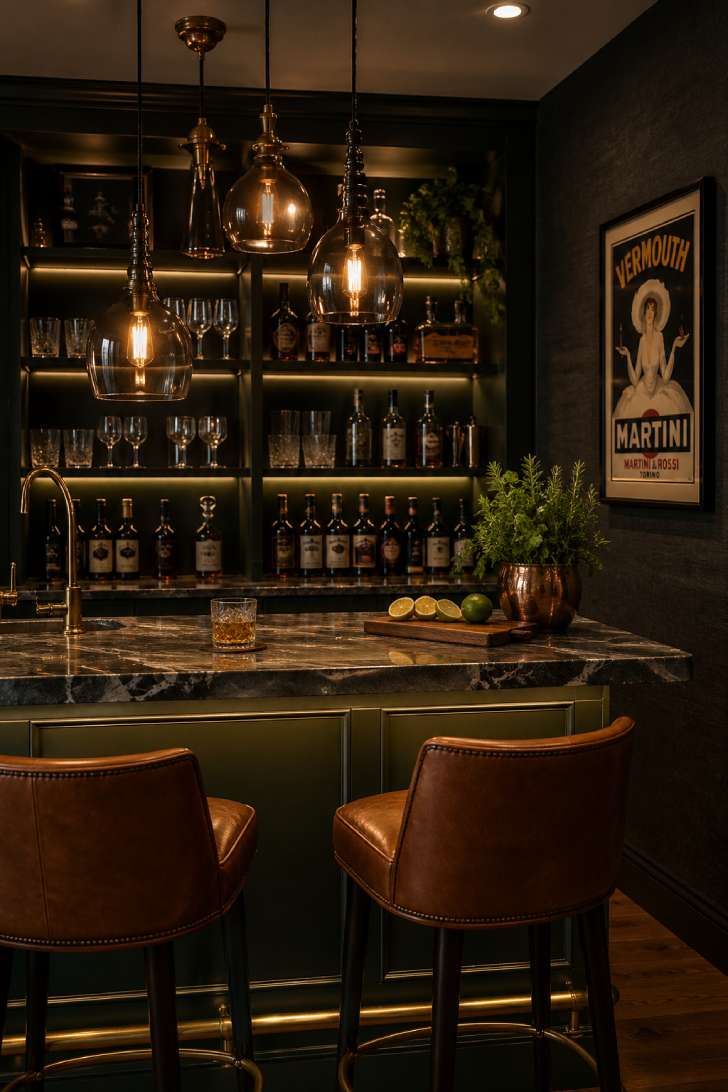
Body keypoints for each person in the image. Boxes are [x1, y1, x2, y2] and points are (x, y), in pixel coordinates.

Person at [614, 281, 692, 419]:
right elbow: (634, 379)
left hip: (659, 391)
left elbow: (666, 377)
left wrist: (674, 348)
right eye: (648, 309)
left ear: (656, 314)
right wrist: (627, 356)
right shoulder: (642, 340)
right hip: (642, 392)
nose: (650, 312)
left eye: (653, 309)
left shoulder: (659, 337)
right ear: (643, 313)